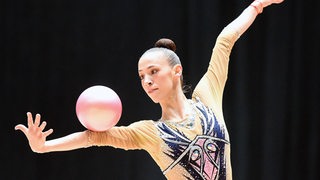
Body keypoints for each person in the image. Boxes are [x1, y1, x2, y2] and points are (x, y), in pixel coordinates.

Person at [15, 0, 284, 179]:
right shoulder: (150, 132)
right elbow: (93, 137)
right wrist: (44, 147)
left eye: (153, 72)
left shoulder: (207, 97)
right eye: (142, 76)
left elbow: (224, 41)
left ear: (176, 71)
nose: (147, 81)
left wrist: (256, 5)